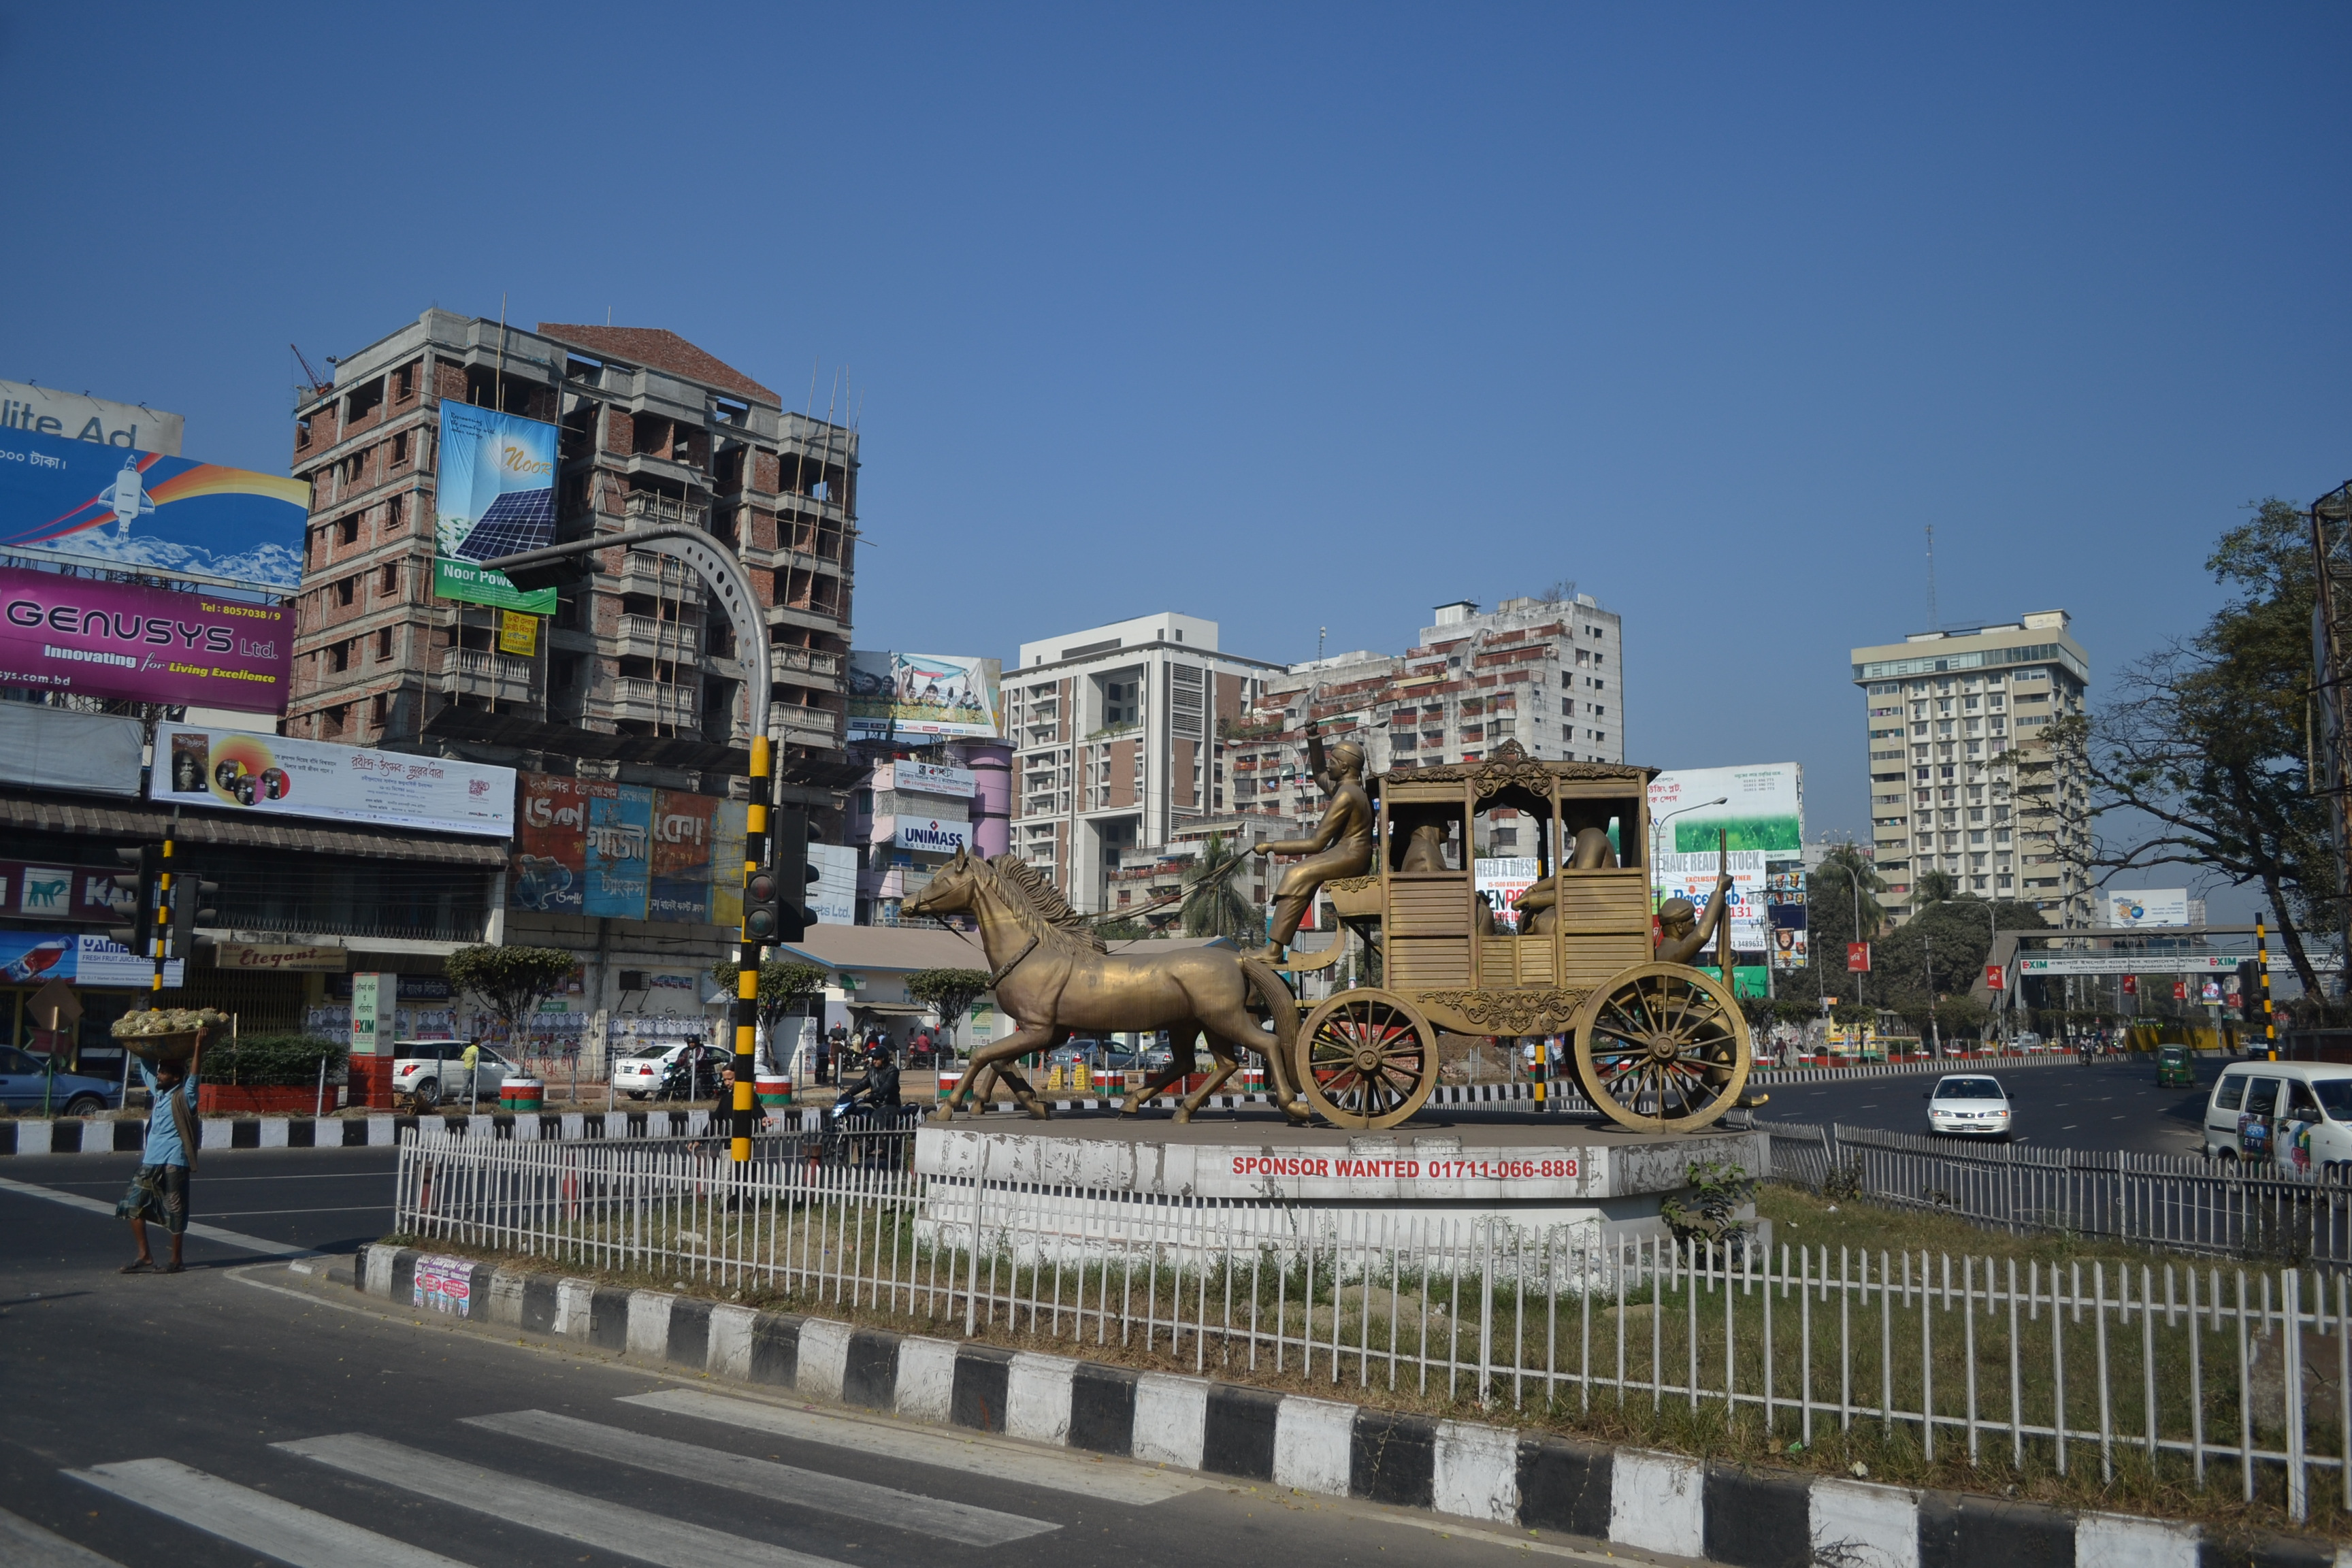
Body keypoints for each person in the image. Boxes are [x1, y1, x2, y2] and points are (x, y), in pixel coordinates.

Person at [1252, 739, 1373, 959]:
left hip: (1351, 855)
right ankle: (1275, 947)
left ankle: (1274, 950)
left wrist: (1271, 846)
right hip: (1351, 853)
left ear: (1344, 767)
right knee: (1301, 875)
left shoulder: (1346, 795)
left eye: (1332, 762)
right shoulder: (1349, 788)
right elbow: (1319, 774)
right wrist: (1314, 737)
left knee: (1297, 873)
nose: (1328, 766)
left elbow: (1316, 843)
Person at [117, 1047, 200, 1273]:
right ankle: (145, 1255)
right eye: (160, 1072)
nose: (159, 1076)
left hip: (175, 1160)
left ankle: (176, 1260)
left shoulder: (185, 1096)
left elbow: (194, 1076)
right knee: (132, 1205)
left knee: (175, 1208)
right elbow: (146, 1065)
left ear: (176, 1078)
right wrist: (140, 1043)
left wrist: (197, 1047)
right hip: (151, 1160)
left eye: (164, 1073)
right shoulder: (159, 1092)